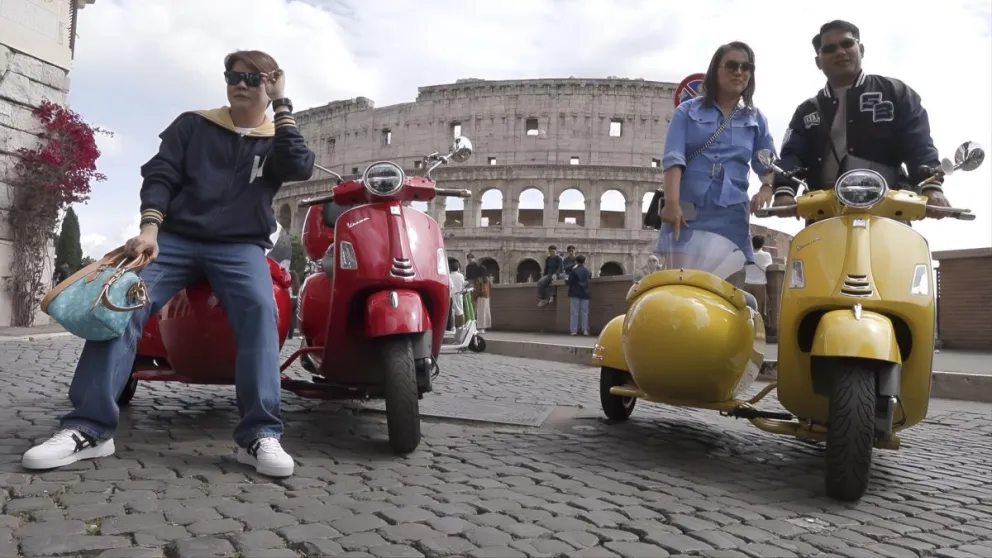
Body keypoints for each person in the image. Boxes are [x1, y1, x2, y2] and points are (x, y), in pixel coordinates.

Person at [21, 50, 315, 478]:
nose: (240, 83)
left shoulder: (276, 137)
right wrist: (150, 229)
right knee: (120, 302)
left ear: (269, 82)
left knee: (260, 308)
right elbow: (161, 175)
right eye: (233, 75)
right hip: (175, 237)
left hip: (240, 246)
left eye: (252, 77)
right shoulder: (194, 124)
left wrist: (283, 103)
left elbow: (299, 167)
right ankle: (89, 428)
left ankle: (259, 435)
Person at [765, 20, 951, 218]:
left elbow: (919, 145)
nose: (840, 52)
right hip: (824, 212)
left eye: (847, 44)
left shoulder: (896, 93)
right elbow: (792, 154)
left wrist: (931, 187)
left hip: (887, 210)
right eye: (829, 49)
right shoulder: (806, 110)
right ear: (818, 62)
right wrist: (784, 191)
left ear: (861, 49)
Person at [658, 41, 777, 287]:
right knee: (682, 284)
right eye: (732, 65)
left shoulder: (756, 118)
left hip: (731, 213)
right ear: (716, 70)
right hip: (686, 211)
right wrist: (670, 204)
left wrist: (766, 188)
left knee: (726, 289)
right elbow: (673, 159)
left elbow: (767, 161)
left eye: (746, 67)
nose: (739, 72)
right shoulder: (686, 111)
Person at [743, 235, 773, 321]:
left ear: (752, 243)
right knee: (758, 310)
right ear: (762, 244)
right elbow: (769, 266)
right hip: (760, 285)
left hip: (747, 283)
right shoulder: (766, 255)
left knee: (747, 309)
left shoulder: (747, 254)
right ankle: (757, 329)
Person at [566, 255, 592, 336]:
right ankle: (585, 330)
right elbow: (589, 278)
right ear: (584, 261)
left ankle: (574, 331)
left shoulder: (574, 271)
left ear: (576, 262)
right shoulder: (588, 271)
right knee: (584, 312)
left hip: (575, 292)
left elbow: (569, 282)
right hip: (585, 293)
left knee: (574, 312)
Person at [448, 260, 466, 329]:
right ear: (458, 268)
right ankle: (462, 326)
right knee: (461, 311)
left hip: (451, 295)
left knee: (452, 311)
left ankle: (453, 326)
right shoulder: (460, 276)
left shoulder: (449, 276)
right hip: (459, 295)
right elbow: (463, 285)